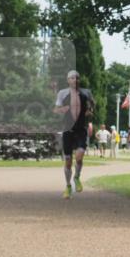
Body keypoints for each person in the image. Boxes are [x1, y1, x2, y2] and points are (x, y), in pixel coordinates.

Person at [53, 69, 94, 199]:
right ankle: (68, 186)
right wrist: (62, 110)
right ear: (68, 80)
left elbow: (92, 106)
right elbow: (56, 109)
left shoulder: (86, 92)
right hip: (67, 130)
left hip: (81, 129)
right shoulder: (62, 93)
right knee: (68, 161)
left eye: (77, 78)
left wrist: (90, 111)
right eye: (72, 78)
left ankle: (76, 177)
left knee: (79, 156)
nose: (75, 80)